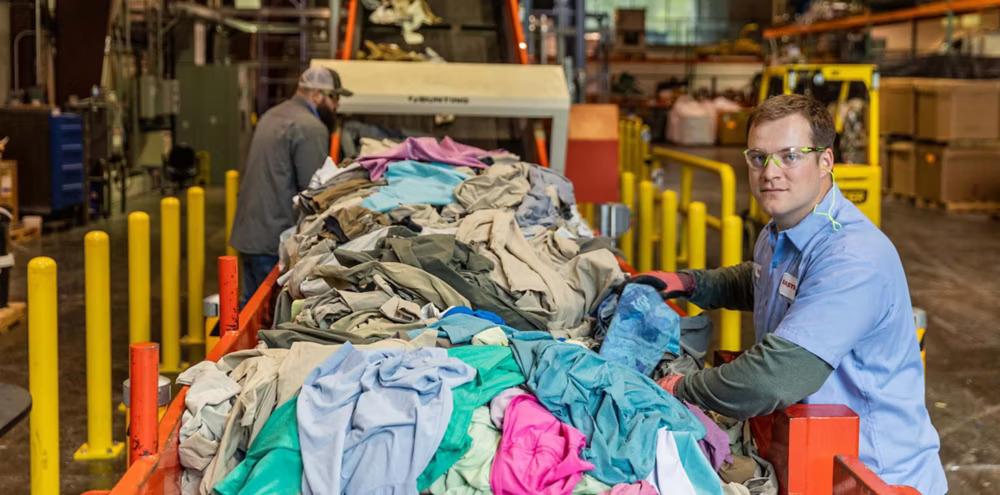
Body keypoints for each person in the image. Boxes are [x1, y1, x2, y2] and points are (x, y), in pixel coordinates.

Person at [637, 94, 946, 493]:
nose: (771, 172)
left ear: (826, 161)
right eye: (758, 157)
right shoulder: (778, 231)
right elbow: (766, 280)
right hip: (814, 460)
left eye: (790, 155)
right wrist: (692, 283)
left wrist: (682, 387)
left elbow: (775, 378)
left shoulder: (854, 258)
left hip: (873, 476)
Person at [230, 67, 352, 303]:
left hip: (251, 232)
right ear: (317, 95)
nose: (336, 106)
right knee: (270, 316)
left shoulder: (273, 115)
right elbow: (316, 192)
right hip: (273, 239)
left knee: (251, 307)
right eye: (334, 98)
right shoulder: (309, 127)